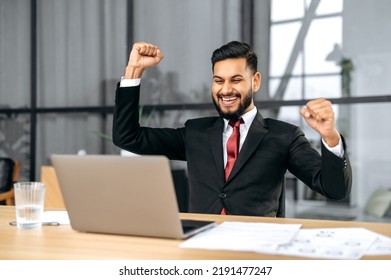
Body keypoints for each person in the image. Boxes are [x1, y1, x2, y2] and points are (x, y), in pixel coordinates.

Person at [112, 41, 352, 217]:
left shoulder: (284, 136)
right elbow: (128, 137)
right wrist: (134, 72)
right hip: (201, 248)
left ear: (255, 81)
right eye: (219, 81)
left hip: (257, 253)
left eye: (236, 80)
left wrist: (330, 137)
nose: (226, 89)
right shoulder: (196, 133)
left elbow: (334, 190)